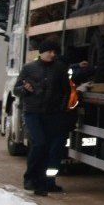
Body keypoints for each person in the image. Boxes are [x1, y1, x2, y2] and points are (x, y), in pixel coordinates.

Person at [14, 38, 71, 196]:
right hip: (32, 113)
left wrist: (61, 109)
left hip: (52, 114)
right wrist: (25, 90)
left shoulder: (59, 69)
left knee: (52, 148)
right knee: (39, 143)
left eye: (54, 52)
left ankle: (47, 182)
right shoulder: (29, 68)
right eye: (50, 51)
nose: (52, 54)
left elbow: (66, 91)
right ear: (42, 52)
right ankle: (30, 178)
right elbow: (16, 90)